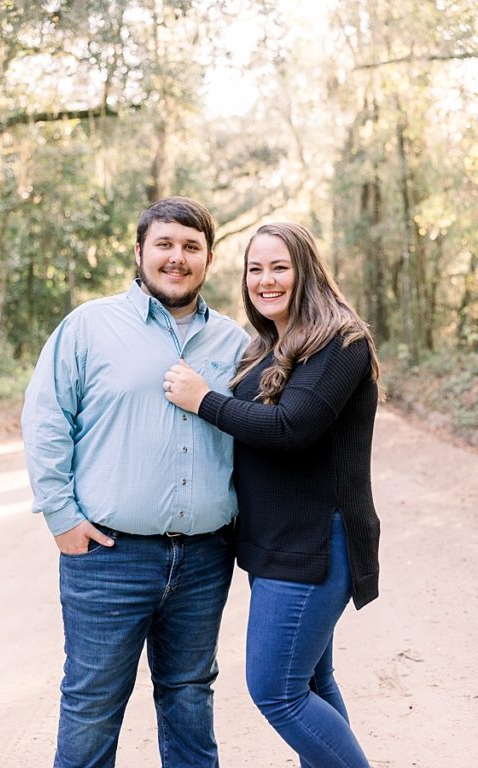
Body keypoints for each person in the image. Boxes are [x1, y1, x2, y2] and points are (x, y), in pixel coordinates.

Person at [21, 196, 250, 768]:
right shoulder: (89, 326)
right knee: (92, 706)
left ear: (209, 259)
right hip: (109, 557)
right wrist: (61, 514)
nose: (177, 258)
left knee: (190, 701)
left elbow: (261, 435)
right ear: (140, 252)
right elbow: (47, 418)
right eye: (165, 245)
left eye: (191, 247)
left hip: (204, 559)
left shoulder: (236, 343)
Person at [164, 222, 380, 768]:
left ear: (305, 269)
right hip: (275, 540)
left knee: (278, 692)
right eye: (254, 269)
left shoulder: (342, 342)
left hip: (313, 544)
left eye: (279, 266)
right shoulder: (269, 347)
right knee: (311, 681)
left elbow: (290, 428)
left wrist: (203, 400)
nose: (265, 280)